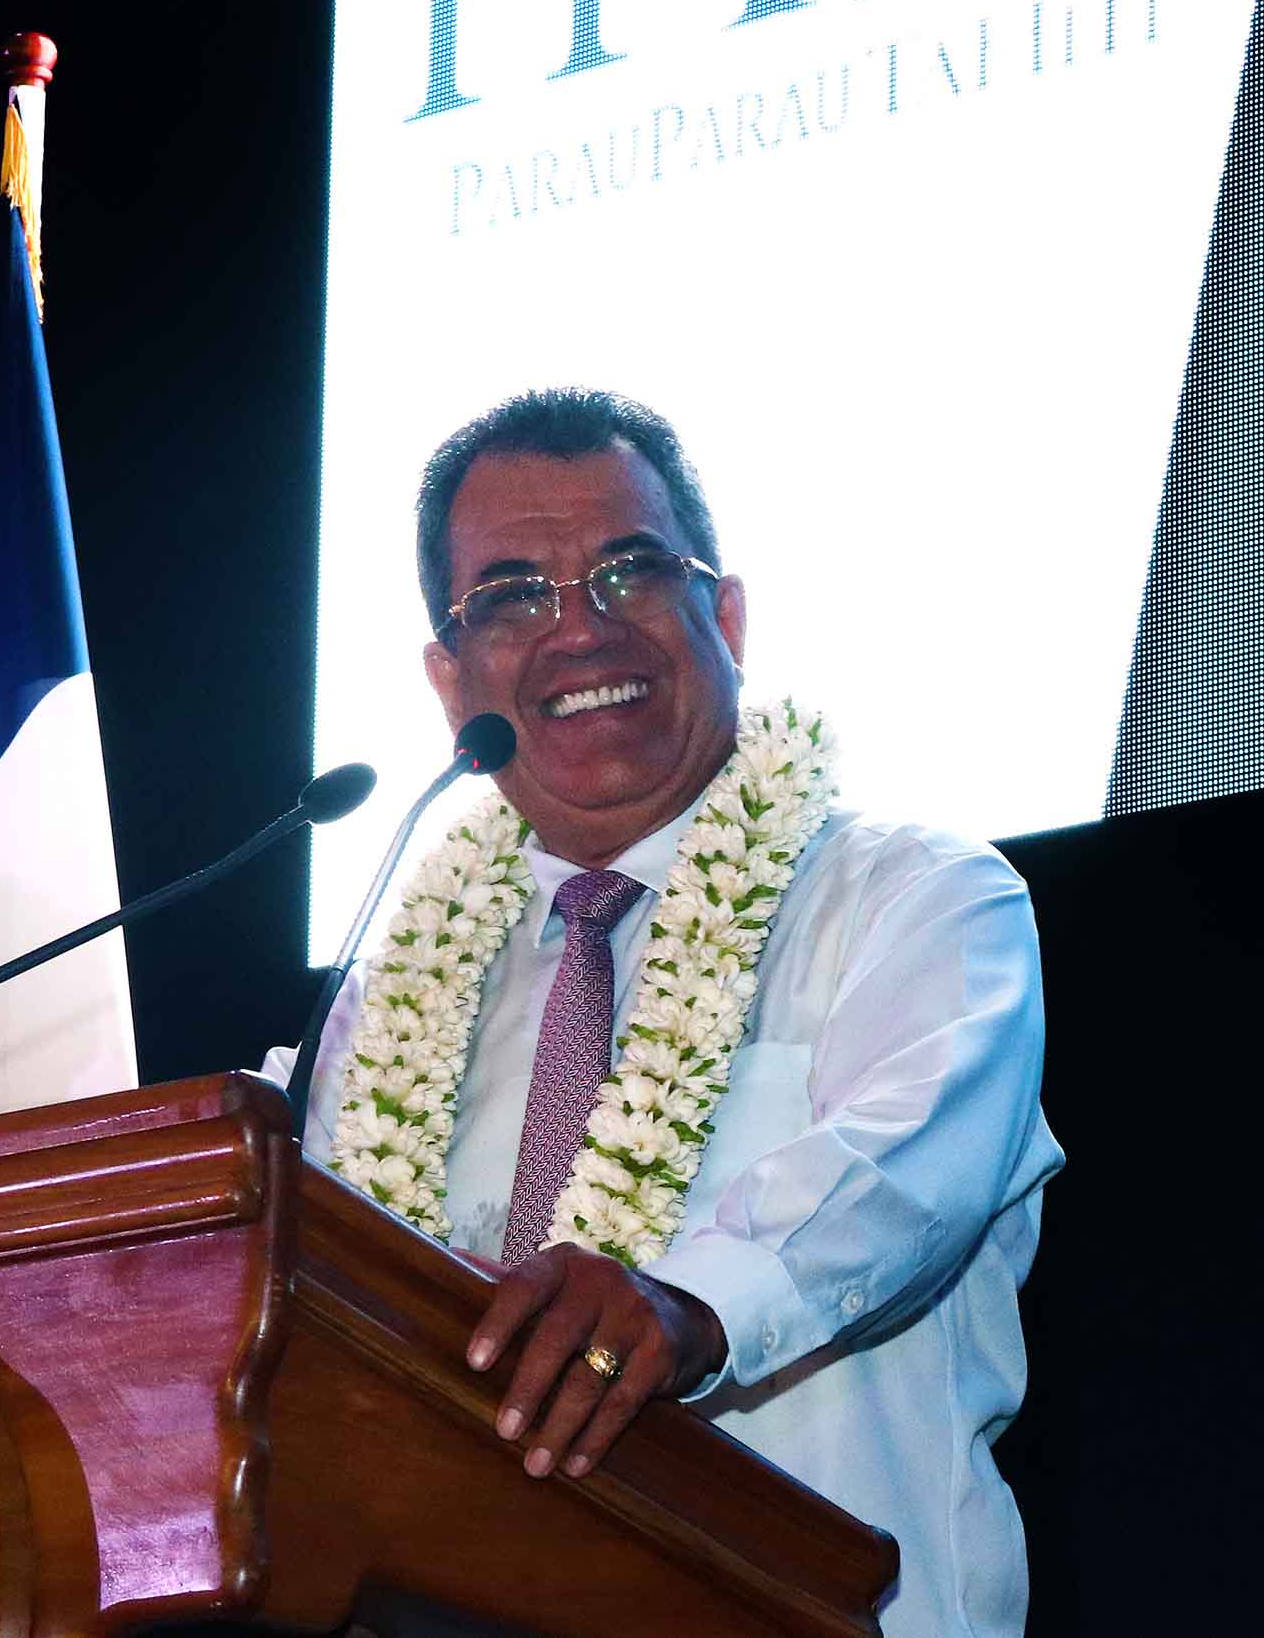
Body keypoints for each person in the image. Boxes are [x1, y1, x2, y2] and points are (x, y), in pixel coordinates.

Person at [269, 389, 1063, 1637]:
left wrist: (682, 1306)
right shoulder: (384, 1009)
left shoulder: (916, 899)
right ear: (450, 675)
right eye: (514, 596)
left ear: (727, 615)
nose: (580, 631)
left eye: (632, 572)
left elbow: (909, 1173)